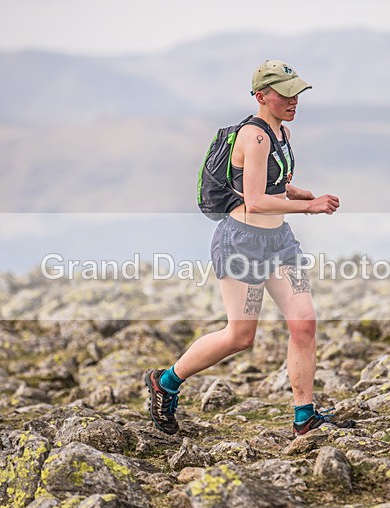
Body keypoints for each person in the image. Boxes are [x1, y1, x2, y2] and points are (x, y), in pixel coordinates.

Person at [145, 60, 355, 436]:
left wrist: (294, 192)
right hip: (241, 242)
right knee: (240, 336)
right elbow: (255, 201)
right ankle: (166, 382)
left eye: (296, 93)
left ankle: (304, 416)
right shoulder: (254, 137)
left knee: (304, 323)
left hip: (279, 242)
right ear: (261, 96)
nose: (294, 100)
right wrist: (310, 206)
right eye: (285, 94)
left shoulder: (282, 132)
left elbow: (266, 181)